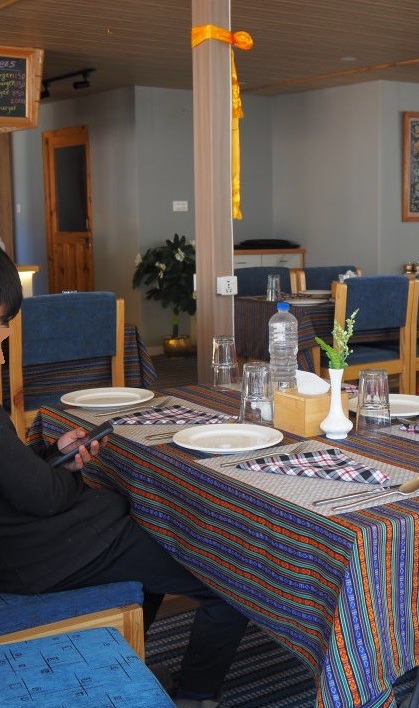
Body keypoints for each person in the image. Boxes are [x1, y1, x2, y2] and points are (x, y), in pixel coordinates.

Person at [0, 249, 247, 708]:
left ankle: (126, 659)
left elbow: (13, 475)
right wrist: (69, 479)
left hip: (35, 546)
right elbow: (44, 497)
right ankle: (195, 695)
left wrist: (51, 455)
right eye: (0, 320)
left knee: (154, 538)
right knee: (229, 576)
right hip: (40, 556)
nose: (8, 332)